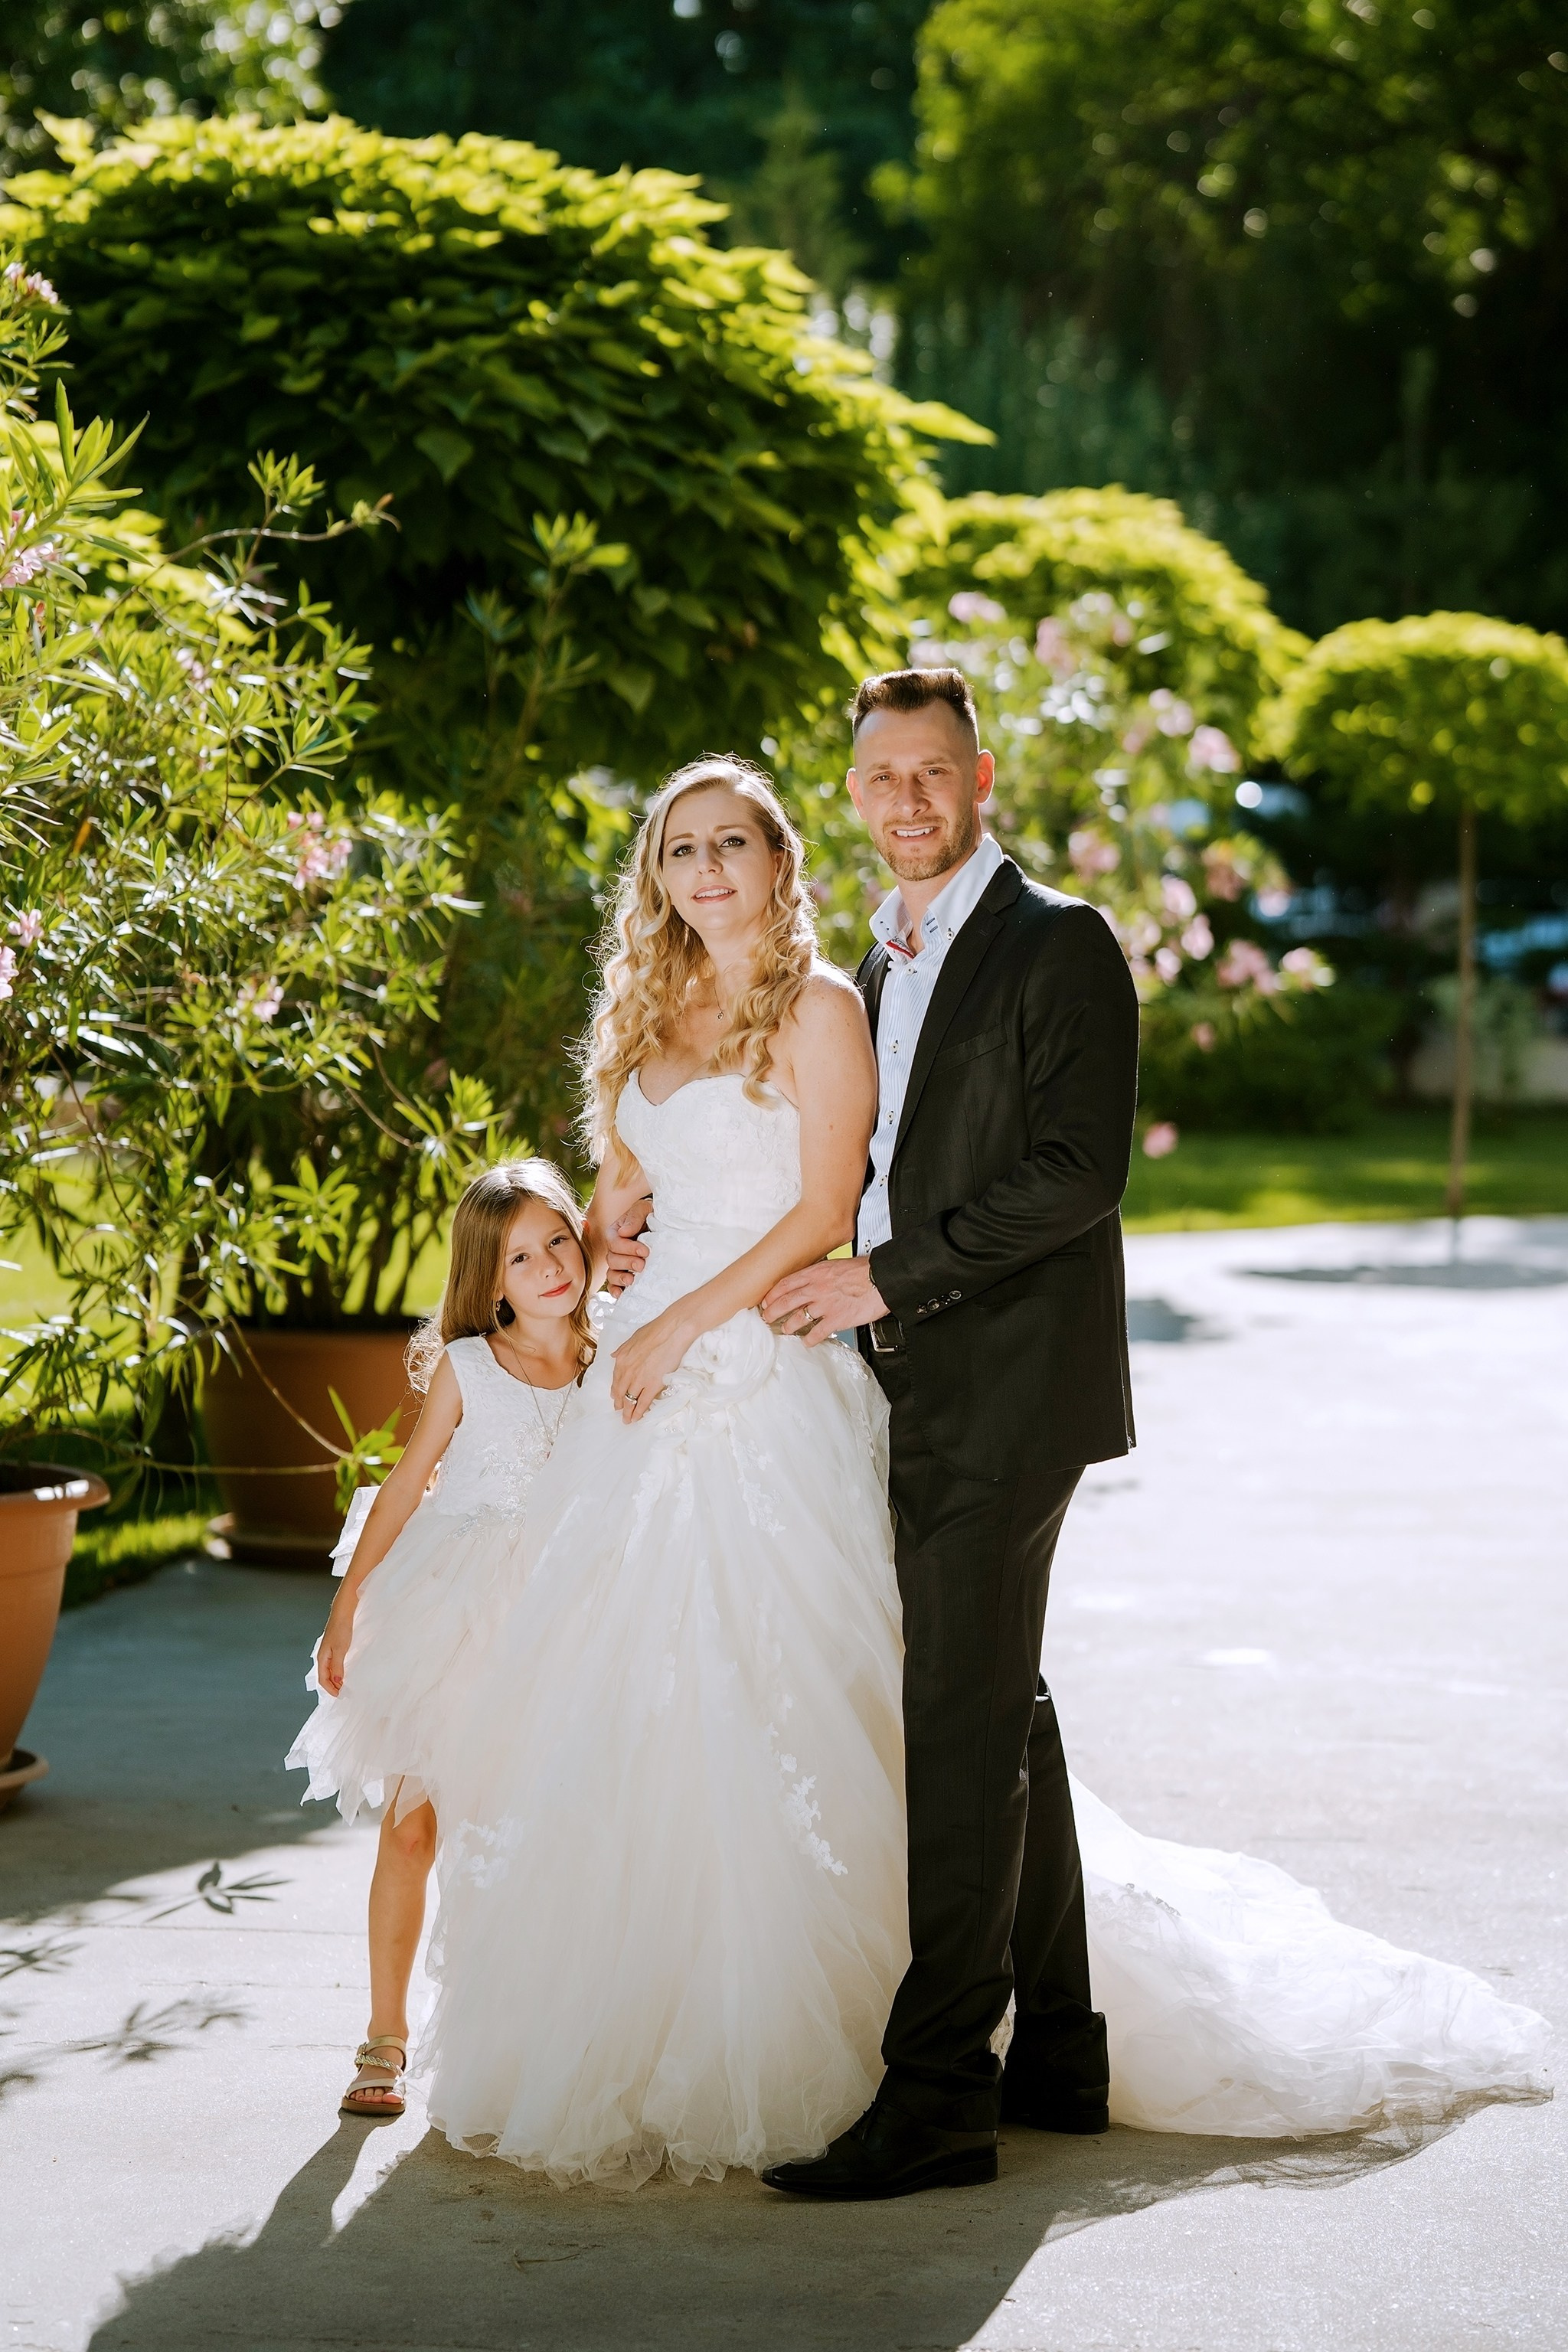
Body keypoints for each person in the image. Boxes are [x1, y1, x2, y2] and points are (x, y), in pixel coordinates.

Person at [416, 757, 910, 2187]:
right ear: (659, 874)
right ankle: (614, 2020)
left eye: (729, 844)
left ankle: (805, 2024)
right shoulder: (645, 1010)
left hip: (760, 1358)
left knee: (767, 1678)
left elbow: (825, 1205)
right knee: (610, 1683)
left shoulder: (818, 1008)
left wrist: (690, 1315)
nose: (703, 870)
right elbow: (628, 1193)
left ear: (775, 858)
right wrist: (617, 1247)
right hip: (640, 1353)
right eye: (679, 849)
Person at [286, 1158, 594, 2119]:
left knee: (527, 1824)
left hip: (561, 1609)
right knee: (414, 1820)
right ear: (487, 1282)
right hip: (456, 1607)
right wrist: (348, 1607)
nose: (548, 1267)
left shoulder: (613, 1354)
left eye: (558, 1241)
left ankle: (522, 2023)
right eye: (519, 1257)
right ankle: (385, 2032)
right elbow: (410, 1484)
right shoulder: (469, 1368)